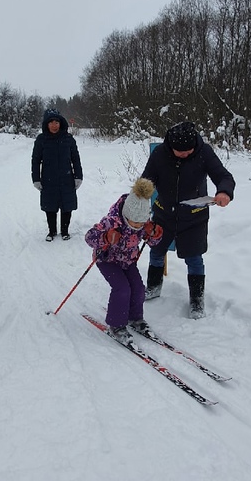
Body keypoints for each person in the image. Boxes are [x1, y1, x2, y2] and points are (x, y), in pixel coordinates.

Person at [141, 120, 235, 317]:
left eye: (189, 150)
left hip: (194, 217)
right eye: (180, 151)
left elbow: (223, 176)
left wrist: (224, 192)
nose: (185, 154)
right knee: (156, 252)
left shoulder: (203, 152)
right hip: (163, 214)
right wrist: (141, 194)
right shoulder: (160, 154)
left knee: (194, 258)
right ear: (171, 146)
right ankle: (153, 287)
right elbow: (147, 178)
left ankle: (196, 300)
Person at [85, 177, 163, 345]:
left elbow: (152, 242)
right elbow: (90, 237)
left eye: (141, 222)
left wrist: (154, 234)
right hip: (106, 260)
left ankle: (135, 318)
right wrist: (106, 236)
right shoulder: (112, 222)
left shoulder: (142, 223)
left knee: (139, 288)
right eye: (134, 222)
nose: (137, 226)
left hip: (128, 261)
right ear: (127, 214)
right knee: (122, 289)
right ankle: (116, 325)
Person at [31, 109, 83, 240]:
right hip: (48, 179)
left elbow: (75, 159)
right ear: (46, 124)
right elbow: (36, 160)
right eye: (51, 122)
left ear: (61, 123)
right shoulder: (41, 140)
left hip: (67, 178)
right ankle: (52, 231)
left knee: (67, 205)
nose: (54, 125)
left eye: (57, 122)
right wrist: (36, 179)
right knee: (50, 206)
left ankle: (65, 231)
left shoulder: (68, 139)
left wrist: (78, 176)